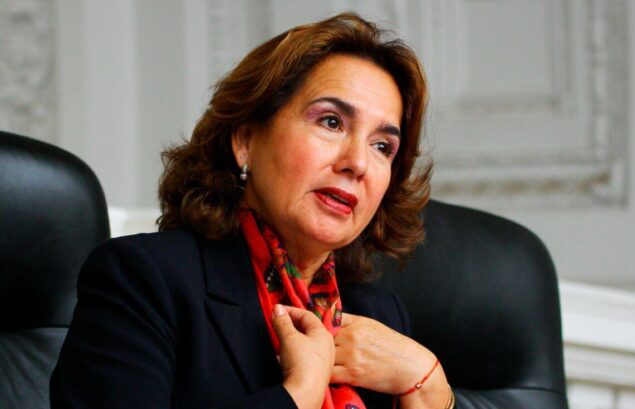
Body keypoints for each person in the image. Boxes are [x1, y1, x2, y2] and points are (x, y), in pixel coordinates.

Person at [50, 12, 455, 409]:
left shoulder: (380, 314)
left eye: (382, 146)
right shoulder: (144, 280)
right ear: (245, 141)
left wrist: (430, 383)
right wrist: (298, 394)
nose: (358, 163)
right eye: (331, 122)